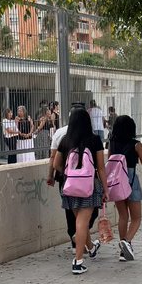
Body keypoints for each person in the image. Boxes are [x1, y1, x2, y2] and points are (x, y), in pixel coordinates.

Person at [50, 109, 108, 274]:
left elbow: (56, 165)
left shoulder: (66, 141)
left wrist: (69, 175)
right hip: (89, 186)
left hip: (69, 186)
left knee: (79, 222)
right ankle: (78, 261)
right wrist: (105, 188)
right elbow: (101, 168)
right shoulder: (95, 140)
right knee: (82, 223)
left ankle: (90, 246)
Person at [107, 114, 142, 261]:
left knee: (123, 216)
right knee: (136, 218)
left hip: (117, 182)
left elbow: (109, 163)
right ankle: (127, 242)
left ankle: (123, 252)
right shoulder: (137, 145)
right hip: (131, 181)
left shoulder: (112, 144)